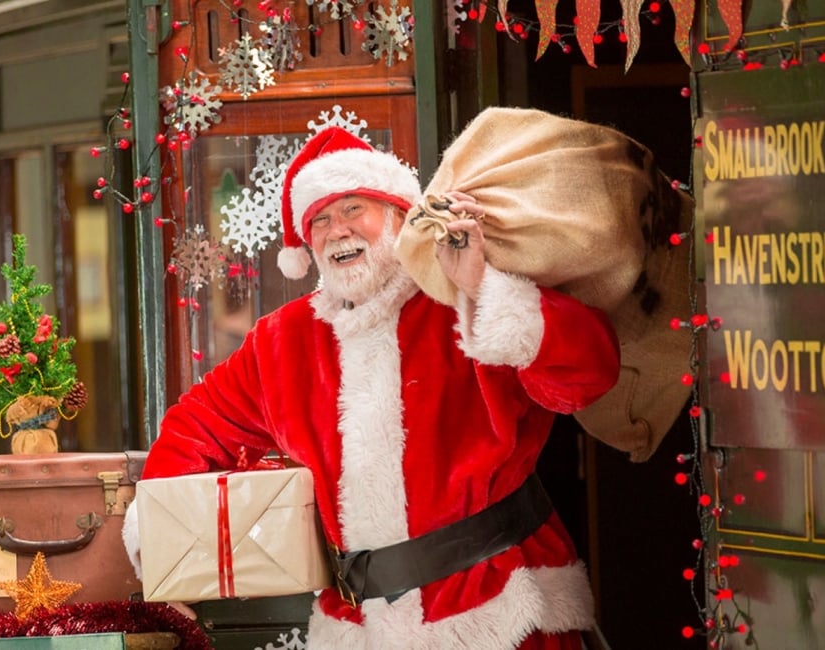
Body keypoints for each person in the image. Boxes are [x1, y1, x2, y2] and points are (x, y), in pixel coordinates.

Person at [123, 126, 621, 649]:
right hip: (359, 627)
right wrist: (161, 539)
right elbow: (196, 426)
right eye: (319, 219)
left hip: (500, 609)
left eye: (353, 208)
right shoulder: (282, 340)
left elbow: (588, 377)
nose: (337, 230)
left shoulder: (462, 299)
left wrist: (482, 287)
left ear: (399, 216)